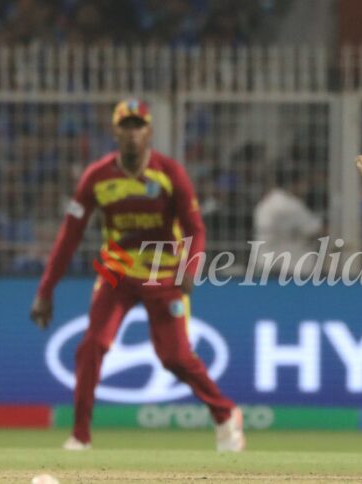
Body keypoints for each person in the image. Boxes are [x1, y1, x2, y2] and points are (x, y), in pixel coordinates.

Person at [30, 99, 244, 452]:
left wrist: (191, 267)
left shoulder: (169, 173)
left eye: (138, 126)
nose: (132, 134)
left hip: (164, 276)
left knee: (174, 358)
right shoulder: (97, 177)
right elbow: (69, 236)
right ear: (115, 131)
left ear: (149, 132)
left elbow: (195, 227)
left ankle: (225, 415)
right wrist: (45, 290)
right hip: (116, 275)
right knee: (92, 346)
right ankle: (80, 436)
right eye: (125, 126)